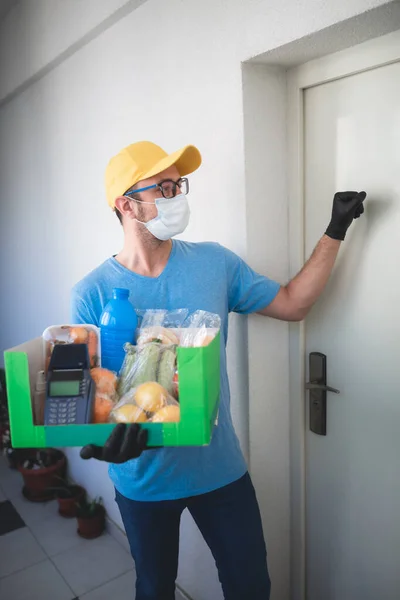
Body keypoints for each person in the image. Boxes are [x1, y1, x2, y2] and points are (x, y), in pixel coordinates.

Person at [71, 141, 365, 600]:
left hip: (220, 469)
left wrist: (335, 230)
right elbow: (93, 392)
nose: (177, 195)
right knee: (154, 589)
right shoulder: (91, 293)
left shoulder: (213, 263)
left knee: (250, 587)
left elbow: (292, 304)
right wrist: (99, 440)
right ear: (126, 204)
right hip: (142, 478)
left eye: (179, 184)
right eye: (163, 187)